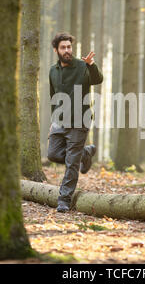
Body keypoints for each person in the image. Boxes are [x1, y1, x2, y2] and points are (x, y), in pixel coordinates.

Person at [47, 33, 103, 212]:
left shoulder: (82, 65)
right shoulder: (53, 71)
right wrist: (52, 119)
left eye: (69, 47)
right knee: (53, 155)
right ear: (56, 50)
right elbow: (53, 97)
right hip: (59, 121)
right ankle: (84, 153)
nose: (67, 51)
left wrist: (91, 65)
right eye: (63, 48)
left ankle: (64, 200)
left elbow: (97, 80)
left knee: (71, 163)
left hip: (80, 120)